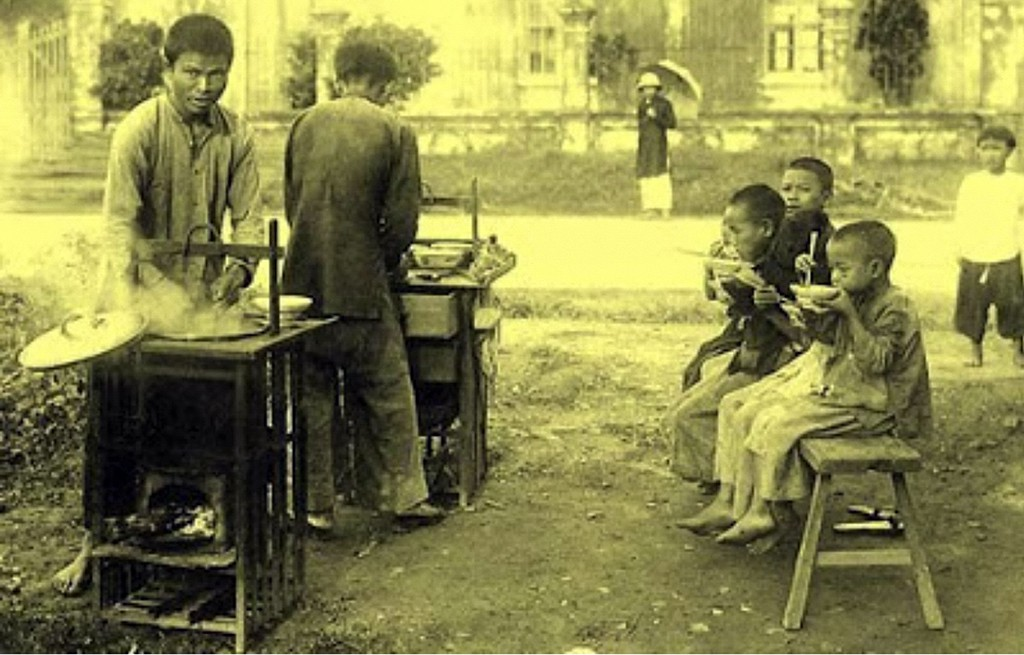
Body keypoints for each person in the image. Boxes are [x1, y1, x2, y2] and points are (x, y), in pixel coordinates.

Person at [53, 13, 264, 596]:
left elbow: (248, 221)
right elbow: (118, 228)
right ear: (166, 70)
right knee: (116, 429)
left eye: (216, 75)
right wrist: (136, 303)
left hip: (202, 301)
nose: (204, 87)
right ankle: (94, 546)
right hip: (134, 301)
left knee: (210, 423)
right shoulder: (138, 132)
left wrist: (240, 270)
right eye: (192, 73)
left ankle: (211, 536)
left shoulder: (238, 136)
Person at [679, 220, 932, 545]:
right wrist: (810, 315)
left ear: (875, 268)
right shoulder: (857, 294)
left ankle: (765, 509)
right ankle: (732, 502)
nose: (835, 277)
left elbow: (876, 362)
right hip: (849, 392)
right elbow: (828, 339)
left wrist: (848, 315)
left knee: (777, 424)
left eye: (842, 269)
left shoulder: (896, 307)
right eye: (833, 270)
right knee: (746, 411)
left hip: (880, 406)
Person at [281, 41, 443, 532]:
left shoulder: (303, 123)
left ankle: (316, 506)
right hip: (362, 288)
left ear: (339, 76)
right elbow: (401, 223)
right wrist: (384, 260)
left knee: (312, 398)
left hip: (303, 286)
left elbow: (292, 205)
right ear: (383, 85)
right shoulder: (396, 129)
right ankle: (404, 497)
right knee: (390, 389)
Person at [666, 184, 806, 491]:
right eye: (724, 227)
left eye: (735, 229)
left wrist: (762, 301)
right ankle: (716, 474)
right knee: (696, 380)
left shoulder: (781, 269)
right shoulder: (749, 263)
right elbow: (715, 297)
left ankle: (722, 479)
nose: (727, 236)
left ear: (765, 229)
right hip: (749, 345)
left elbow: (797, 330)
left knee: (689, 412)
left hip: (773, 357)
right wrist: (713, 271)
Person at [680, 156, 836, 392]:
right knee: (703, 360)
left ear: (825, 197)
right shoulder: (778, 229)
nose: (792, 196)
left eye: (804, 190)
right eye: (786, 189)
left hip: (791, 329)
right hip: (760, 318)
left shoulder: (829, 241)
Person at [952, 125, 1024, 367]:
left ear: (1009, 151)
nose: (990, 154)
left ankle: (1018, 350)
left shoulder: (1017, 183)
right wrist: (959, 248)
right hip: (975, 254)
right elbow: (961, 217)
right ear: (977, 152)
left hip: (1006, 254)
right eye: (984, 149)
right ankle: (975, 352)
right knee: (973, 306)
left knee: (1013, 305)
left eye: (996, 148)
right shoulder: (971, 182)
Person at [635, 71, 677, 218]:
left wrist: (657, 117)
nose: (648, 91)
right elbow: (640, 125)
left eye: (651, 88)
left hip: (659, 145)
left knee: (661, 175)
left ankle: (665, 208)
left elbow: (672, 123)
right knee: (646, 176)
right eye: (645, 88)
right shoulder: (641, 105)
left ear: (656, 88)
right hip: (645, 145)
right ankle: (649, 208)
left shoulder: (665, 104)